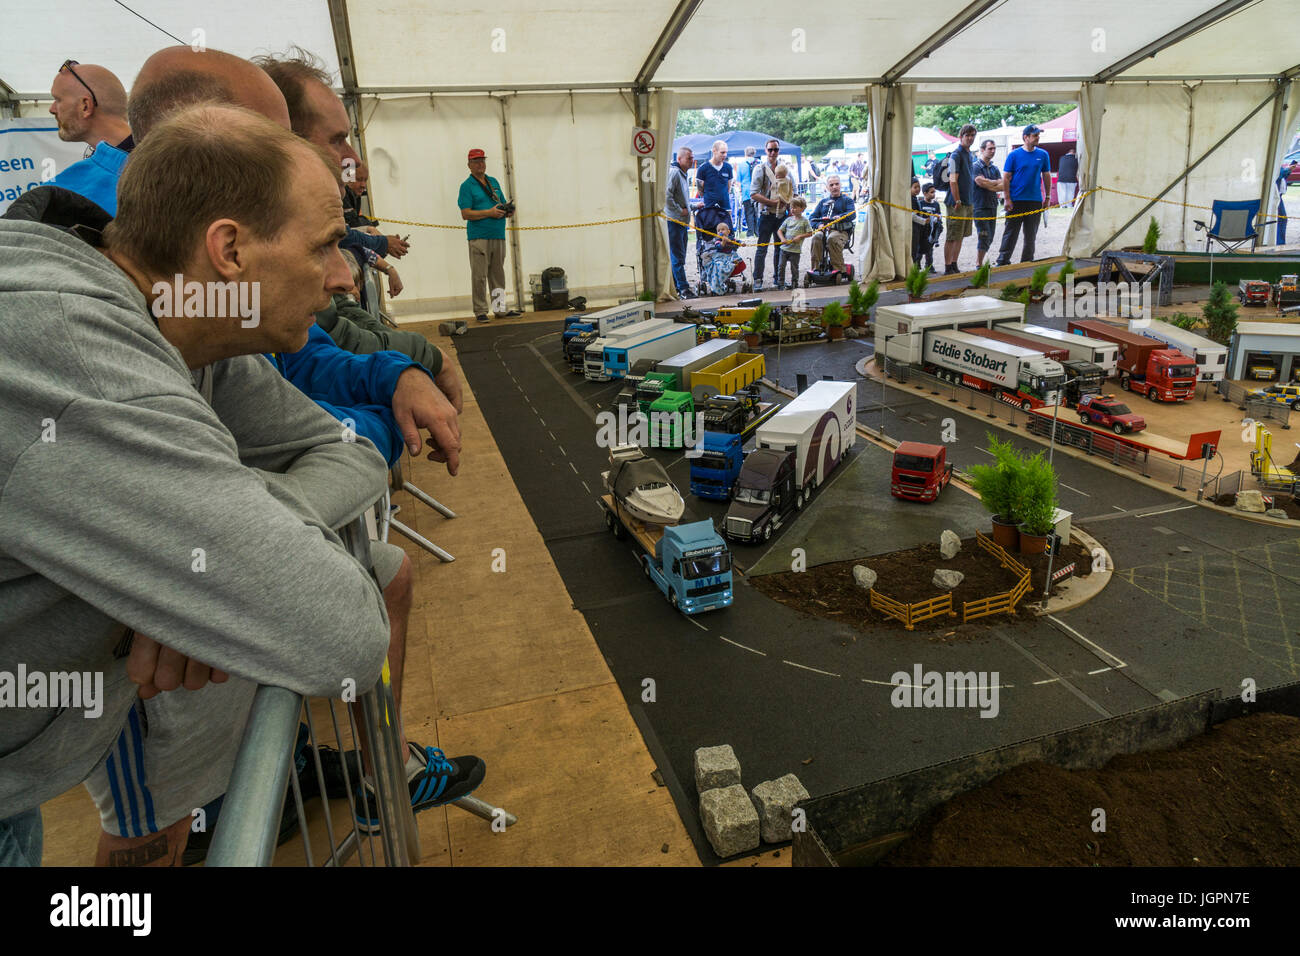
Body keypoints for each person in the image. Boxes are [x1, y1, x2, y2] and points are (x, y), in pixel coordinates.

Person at [0, 104, 394, 867]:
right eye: (324, 245)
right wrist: (214, 559)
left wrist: (221, 547)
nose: (344, 277)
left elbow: (346, 450)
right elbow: (342, 635)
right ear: (230, 250)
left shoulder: (181, 321)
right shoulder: (85, 360)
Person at [47, 62, 134, 215]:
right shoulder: (161, 159)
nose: (52, 109)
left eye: (58, 100)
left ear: (85, 106)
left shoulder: (147, 171)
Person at [456, 147, 515, 322]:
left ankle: (499, 308)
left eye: (482, 160)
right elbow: (465, 213)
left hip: (498, 234)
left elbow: (501, 202)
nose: (480, 164)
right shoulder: (467, 186)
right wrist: (489, 213)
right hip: (479, 236)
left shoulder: (493, 182)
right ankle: (480, 310)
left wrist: (508, 210)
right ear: (469, 165)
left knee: (498, 274)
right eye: (475, 161)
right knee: (479, 275)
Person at [996, 125, 1053, 266]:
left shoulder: (1043, 154)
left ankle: (1026, 262)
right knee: (1010, 233)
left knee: (1031, 235)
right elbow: (1006, 177)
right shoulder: (1014, 155)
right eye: (1035, 135)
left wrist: (1047, 197)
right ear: (1025, 137)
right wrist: (1007, 199)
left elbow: (1046, 175)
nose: (1038, 138)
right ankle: (1003, 261)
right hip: (1016, 200)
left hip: (1034, 201)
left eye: (1038, 135)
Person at [750, 139, 787, 291]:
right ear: (765, 151)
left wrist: (789, 203)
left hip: (781, 215)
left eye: (775, 150)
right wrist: (771, 202)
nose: (773, 152)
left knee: (780, 248)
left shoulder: (784, 168)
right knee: (762, 248)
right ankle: (758, 279)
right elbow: (753, 194)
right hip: (765, 214)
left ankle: (779, 279)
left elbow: (792, 189)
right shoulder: (760, 169)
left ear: (779, 151)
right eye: (770, 149)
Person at [942, 124, 977, 275]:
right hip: (956, 203)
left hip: (968, 201)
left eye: (972, 135)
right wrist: (957, 200)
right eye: (967, 135)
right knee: (952, 235)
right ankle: (947, 266)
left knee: (961, 235)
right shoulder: (956, 155)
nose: (970, 138)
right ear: (961, 136)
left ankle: (954, 263)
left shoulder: (969, 154)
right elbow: (952, 180)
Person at [693, 139, 733, 265]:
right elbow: (700, 189)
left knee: (727, 232)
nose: (724, 155)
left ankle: (727, 259)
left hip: (725, 206)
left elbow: (728, 186)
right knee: (710, 235)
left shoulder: (728, 167)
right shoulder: (704, 168)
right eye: (722, 152)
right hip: (709, 207)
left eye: (726, 152)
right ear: (714, 151)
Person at [808, 175, 856, 277]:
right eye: (831, 185)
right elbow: (812, 217)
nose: (834, 187)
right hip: (824, 231)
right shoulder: (823, 202)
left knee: (832, 239)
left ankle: (838, 269)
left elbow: (852, 214)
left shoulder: (847, 200)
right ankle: (816, 268)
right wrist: (819, 225)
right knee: (816, 237)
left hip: (840, 231)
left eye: (837, 184)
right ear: (827, 187)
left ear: (840, 185)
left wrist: (840, 217)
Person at [666, 146, 694, 298]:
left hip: (681, 222)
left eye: (692, 158)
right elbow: (667, 196)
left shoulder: (682, 174)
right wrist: (679, 210)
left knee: (679, 255)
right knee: (677, 256)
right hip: (674, 221)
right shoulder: (675, 173)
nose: (692, 160)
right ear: (679, 159)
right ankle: (683, 288)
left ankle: (677, 286)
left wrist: (691, 207)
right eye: (689, 158)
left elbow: (680, 197)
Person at [971, 138, 1002, 269]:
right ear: (982, 150)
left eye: (994, 148)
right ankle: (978, 264)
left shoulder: (995, 168)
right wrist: (994, 183)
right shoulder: (976, 166)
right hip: (980, 206)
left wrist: (990, 184)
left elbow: (1003, 185)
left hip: (992, 205)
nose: (993, 151)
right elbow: (980, 182)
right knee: (984, 235)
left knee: (990, 236)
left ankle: (981, 262)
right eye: (990, 148)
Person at [776, 196, 813, 290]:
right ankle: (780, 283)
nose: (792, 209)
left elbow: (810, 233)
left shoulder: (804, 221)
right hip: (784, 249)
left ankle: (794, 283)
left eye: (795, 207)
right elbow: (779, 231)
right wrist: (782, 239)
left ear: (802, 208)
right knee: (781, 266)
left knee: (794, 268)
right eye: (791, 207)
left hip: (795, 250)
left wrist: (800, 236)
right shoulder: (788, 220)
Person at [699, 220, 741, 296]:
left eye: (723, 229)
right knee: (719, 265)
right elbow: (719, 247)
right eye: (718, 231)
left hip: (729, 256)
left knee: (736, 259)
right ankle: (717, 284)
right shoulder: (718, 240)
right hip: (720, 256)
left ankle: (731, 264)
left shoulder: (731, 238)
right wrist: (723, 242)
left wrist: (741, 243)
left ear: (728, 231)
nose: (720, 231)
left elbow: (737, 242)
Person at [914, 182, 943, 272]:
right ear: (925, 193)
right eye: (931, 192)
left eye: (934, 192)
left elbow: (939, 214)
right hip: (922, 230)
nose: (933, 194)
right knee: (919, 249)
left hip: (931, 231)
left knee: (929, 249)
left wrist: (937, 218)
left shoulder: (936, 204)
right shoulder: (920, 203)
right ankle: (916, 266)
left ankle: (929, 266)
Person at [737, 146, 758, 237]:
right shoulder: (759, 163)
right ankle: (758, 232)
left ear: (745, 153)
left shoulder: (741, 164)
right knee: (757, 212)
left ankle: (750, 233)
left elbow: (739, 181)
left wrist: (740, 192)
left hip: (746, 192)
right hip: (758, 192)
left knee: (749, 212)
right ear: (754, 153)